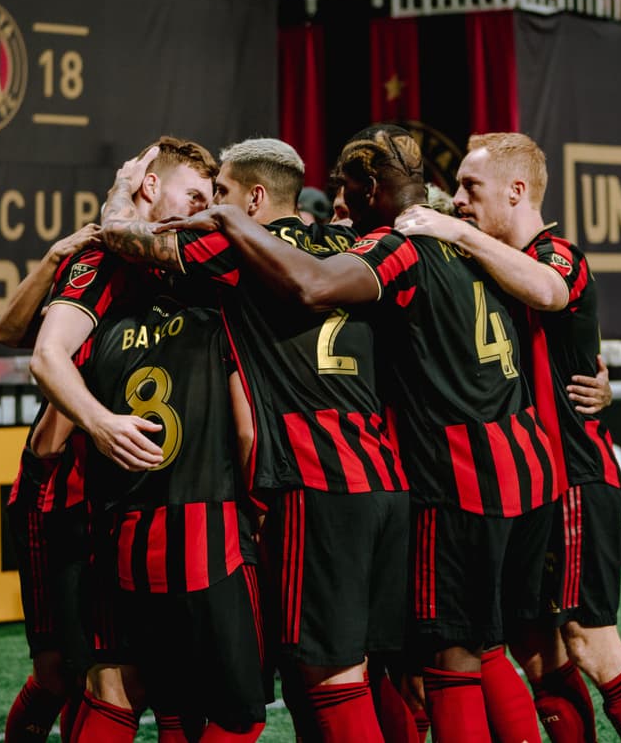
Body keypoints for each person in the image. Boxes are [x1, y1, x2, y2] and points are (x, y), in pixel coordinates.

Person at [158, 126, 559, 743]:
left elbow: (313, 286)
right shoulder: (481, 243)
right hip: (512, 469)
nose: (341, 206)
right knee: (478, 651)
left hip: (440, 480)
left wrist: (228, 225)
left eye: (348, 193)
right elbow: (554, 294)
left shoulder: (397, 245)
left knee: (416, 665)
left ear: (372, 188)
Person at [100, 138, 410, 743]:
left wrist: (118, 201)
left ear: (256, 198)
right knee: (374, 675)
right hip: (387, 480)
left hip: (315, 482)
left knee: (330, 680)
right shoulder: (353, 243)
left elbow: (137, 243)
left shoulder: (236, 244)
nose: (213, 205)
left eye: (222, 194)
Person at [394, 132, 621, 743]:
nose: (459, 200)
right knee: (535, 647)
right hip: (524, 484)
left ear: (517, 191)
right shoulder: (485, 266)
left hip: (574, 476)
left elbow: (550, 290)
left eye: (471, 188)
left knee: (590, 644)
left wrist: (452, 230)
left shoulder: (558, 252)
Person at [28, 137, 218, 739]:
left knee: (172, 677)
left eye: (209, 201)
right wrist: (99, 421)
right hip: (79, 499)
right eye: (191, 195)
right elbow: (39, 350)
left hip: (167, 499)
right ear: (150, 185)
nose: (199, 211)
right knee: (88, 674)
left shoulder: (193, 263)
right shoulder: (103, 257)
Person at [71, 295, 267, 743]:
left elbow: (47, 435)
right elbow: (246, 431)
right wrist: (261, 508)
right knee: (241, 716)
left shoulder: (102, 327)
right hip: (209, 533)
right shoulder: (217, 317)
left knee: (172, 707)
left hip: (129, 538)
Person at [0, 223, 102, 743]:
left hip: (110, 499)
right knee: (61, 673)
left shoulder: (169, 268)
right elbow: (10, 332)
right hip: (52, 496)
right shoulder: (93, 264)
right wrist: (52, 259)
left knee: (108, 671)